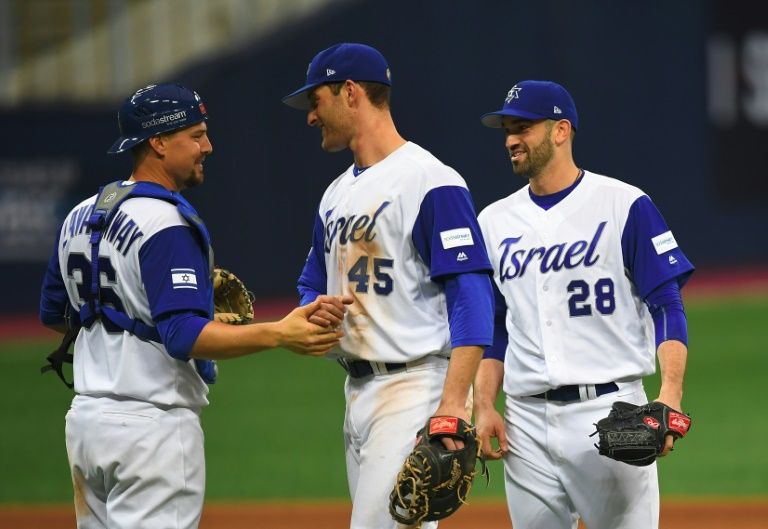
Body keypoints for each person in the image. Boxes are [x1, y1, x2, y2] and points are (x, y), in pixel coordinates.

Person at [39, 82, 350, 529]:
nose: (208, 146)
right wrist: (280, 332)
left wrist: (132, 311)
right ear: (159, 142)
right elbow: (183, 336)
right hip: (151, 430)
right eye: (196, 134)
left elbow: (57, 312)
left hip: (87, 425)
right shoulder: (164, 221)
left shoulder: (81, 213)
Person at [282, 43, 495, 529]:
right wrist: (310, 310)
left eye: (316, 101)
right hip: (356, 394)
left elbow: (473, 297)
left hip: (413, 388)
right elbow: (312, 277)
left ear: (350, 92)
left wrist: (452, 403)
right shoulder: (335, 194)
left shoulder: (429, 181)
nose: (311, 116)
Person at [473, 80, 695, 529]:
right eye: (507, 129)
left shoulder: (624, 205)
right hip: (526, 424)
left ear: (561, 131)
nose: (511, 139)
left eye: (523, 127)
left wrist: (669, 393)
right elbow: (494, 326)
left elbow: (667, 304)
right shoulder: (493, 222)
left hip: (612, 411)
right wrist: (483, 403)